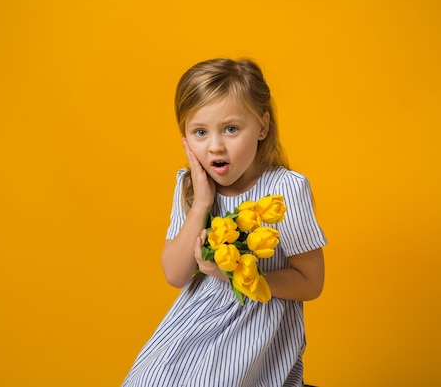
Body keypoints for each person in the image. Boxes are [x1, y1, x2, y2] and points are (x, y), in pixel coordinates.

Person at [122, 58, 326, 387]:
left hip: (255, 330)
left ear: (262, 126)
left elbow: (310, 282)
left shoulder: (284, 190)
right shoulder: (190, 186)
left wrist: (235, 276)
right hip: (192, 328)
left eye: (231, 129)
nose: (215, 145)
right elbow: (175, 275)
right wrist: (202, 201)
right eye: (200, 132)